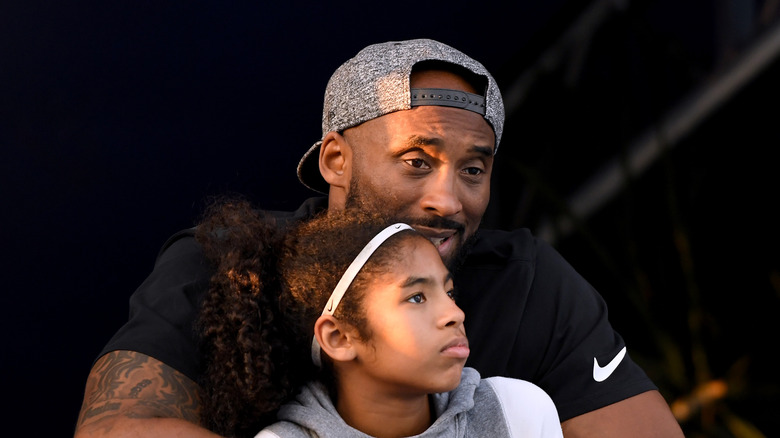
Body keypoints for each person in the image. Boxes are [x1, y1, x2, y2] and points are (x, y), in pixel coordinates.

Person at [74, 39, 683, 437]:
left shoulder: (528, 284)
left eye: (473, 170)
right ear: (336, 160)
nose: (448, 199)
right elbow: (117, 428)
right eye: (417, 161)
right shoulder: (230, 263)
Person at [194, 202, 563, 438]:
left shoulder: (516, 412)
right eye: (417, 297)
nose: (455, 314)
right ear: (339, 337)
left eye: (449, 293)